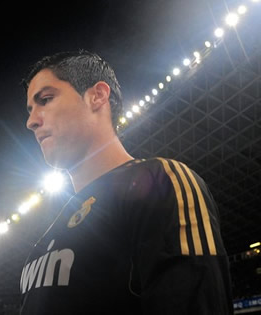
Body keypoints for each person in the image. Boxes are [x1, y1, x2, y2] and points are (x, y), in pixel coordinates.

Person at [19, 50, 233, 314]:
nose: (31, 121)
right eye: (30, 110)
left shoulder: (161, 181)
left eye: (46, 100)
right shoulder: (49, 231)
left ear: (97, 96)